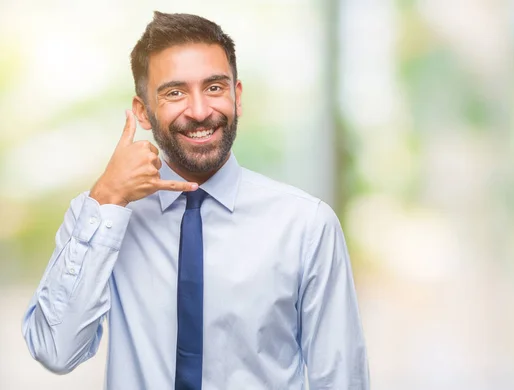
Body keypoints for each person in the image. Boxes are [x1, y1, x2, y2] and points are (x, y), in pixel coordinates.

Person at [22, 11, 369, 390]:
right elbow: (55, 351)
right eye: (175, 92)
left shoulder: (306, 225)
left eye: (215, 88)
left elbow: (341, 379)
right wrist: (108, 198)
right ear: (143, 112)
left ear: (237, 96)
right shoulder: (101, 215)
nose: (201, 111)